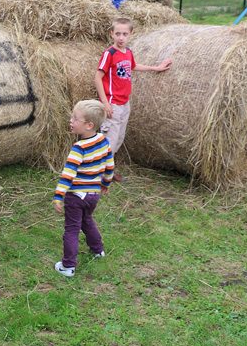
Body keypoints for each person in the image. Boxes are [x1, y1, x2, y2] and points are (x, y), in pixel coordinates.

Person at [94, 17, 172, 181]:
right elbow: (97, 77)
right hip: (113, 104)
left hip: (125, 103)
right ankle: (100, 173)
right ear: (112, 34)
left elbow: (134, 66)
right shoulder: (110, 54)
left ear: (130, 34)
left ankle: (107, 170)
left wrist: (155, 68)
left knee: (119, 138)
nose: (121, 37)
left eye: (124, 34)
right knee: (110, 140)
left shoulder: (128, 52)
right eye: (117, 34)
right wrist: (105, 102)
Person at [53, 100, 114, 278]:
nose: (71, 120)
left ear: (89, 125)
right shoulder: (104, 141)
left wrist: (59, 196)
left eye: (75, 118)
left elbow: (68, 175)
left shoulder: (78, 148)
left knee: (72, 229)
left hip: (76, 196)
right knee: (87, 220)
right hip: (93, 195)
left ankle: (68, 266)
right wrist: (105, 184)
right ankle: (98, 250)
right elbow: (110, 166)